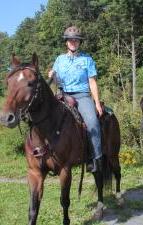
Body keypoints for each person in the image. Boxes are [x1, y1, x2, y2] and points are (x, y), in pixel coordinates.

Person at [48, 26, 103, 173]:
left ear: (79, 43)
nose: (73, 42)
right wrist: (52, 75)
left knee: (92, 122)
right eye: (71, 40)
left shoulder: (87, 59)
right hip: (63, 95)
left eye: (76, 40)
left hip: (82, 96)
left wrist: (97, 103)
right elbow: (56, 81)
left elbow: (92, 81)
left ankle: (95, 158)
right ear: (66, 42)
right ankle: (48, 155)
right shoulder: (59, 59)